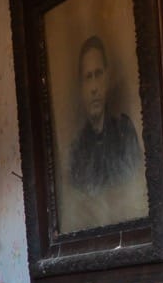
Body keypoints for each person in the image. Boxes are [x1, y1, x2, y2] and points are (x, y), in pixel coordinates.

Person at [61, 35, 147, 230]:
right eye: (88, 77)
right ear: (81, 87)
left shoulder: (124, 132)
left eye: (98, 74)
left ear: (107, 78)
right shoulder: (76, 152)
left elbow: (135, 193)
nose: (94, 88)